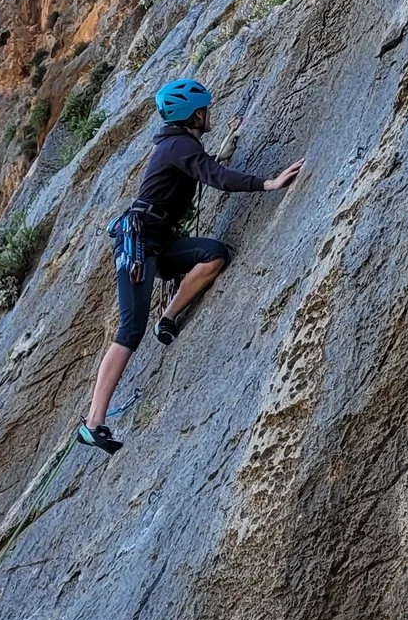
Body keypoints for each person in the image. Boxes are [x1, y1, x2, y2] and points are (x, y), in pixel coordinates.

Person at [76, 77, 303, 452]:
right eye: (205, 110)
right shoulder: (179, 145)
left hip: (159, 242)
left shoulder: (178, 145)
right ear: (194, 115)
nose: (208, 113)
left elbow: (206, 167)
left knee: (214, 254)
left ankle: (168, 317)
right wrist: (268, 184)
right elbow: (216, 177)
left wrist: (229, 144)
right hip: (140, 244)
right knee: (130, 330)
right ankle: (93, 422)